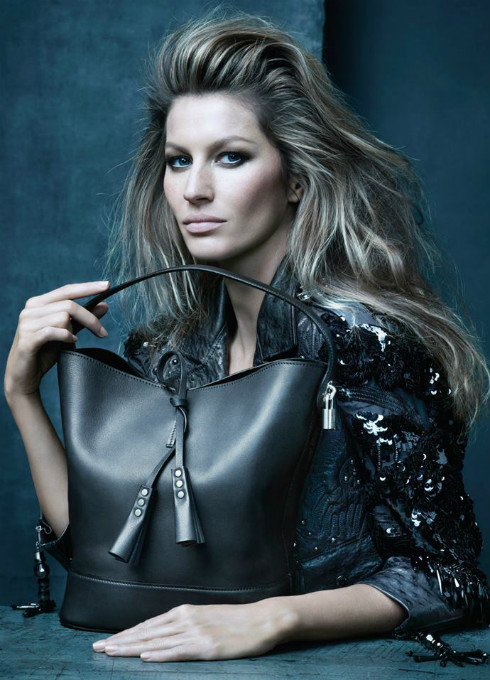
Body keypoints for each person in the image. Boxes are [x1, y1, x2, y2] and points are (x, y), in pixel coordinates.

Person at [4, 11, 489, 665]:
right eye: (179, 161)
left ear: (296, 178)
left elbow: (449, 577)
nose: (195, 190)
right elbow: (106, 553)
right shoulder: (172, 352)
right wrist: (23, 396)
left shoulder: (363, 343)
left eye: (230, 157)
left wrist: (273, 619)